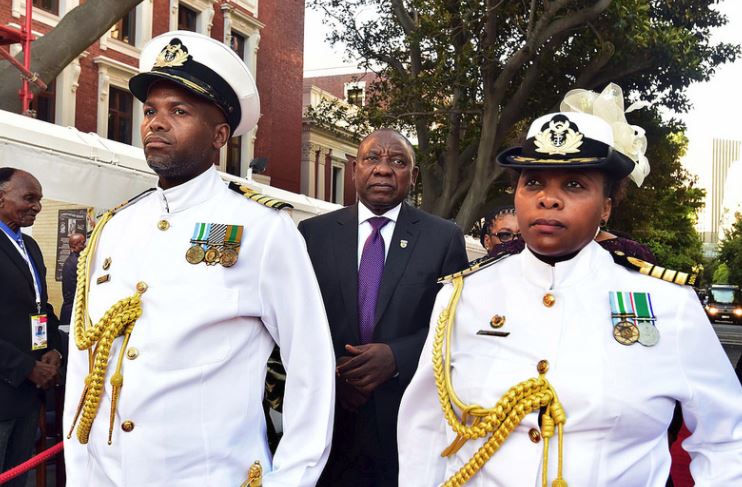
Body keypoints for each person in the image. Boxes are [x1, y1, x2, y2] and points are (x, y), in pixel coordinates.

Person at [398, 110, 742, 486]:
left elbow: (727, 437)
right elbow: (427, 429)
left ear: (606, 206)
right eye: (533, 183)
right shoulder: (463, 296)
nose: (549, 199)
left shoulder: (667, 303)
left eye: (574, 185)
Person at [62, 31, 335, 487]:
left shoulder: (263, 230)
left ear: (220, 136)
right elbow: (84, 364)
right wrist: (80, 473)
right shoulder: (114, 228)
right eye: (150, 111)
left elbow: (310, 367)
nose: (155, 124)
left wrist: (292, 478)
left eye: (179, 111)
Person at [298, 128, 468, 486]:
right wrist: (333, 372)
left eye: (398, 161)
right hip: (329, 421)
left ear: (414, 176)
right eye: (372, 158)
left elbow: (456, 324)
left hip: (404, 424)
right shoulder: (313, 234)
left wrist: (397, 357)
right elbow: (295, 320)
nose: (383, 169)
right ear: (356, 167)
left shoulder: (442, 237)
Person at [0, 168, 63, 487]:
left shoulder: (30, 246)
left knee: (17, 479)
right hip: (6, 385)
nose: (37, 206)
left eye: (39, 199)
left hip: (29, 392)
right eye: (29, 198)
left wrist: (53, 349)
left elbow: (41, 308)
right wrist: (25, 367)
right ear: (1, 197)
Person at [59, 232, 85, 326]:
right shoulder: (75, 262)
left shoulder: (72, 260)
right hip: (72, 313)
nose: (85, 246)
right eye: (82, 243)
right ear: (74, 245)